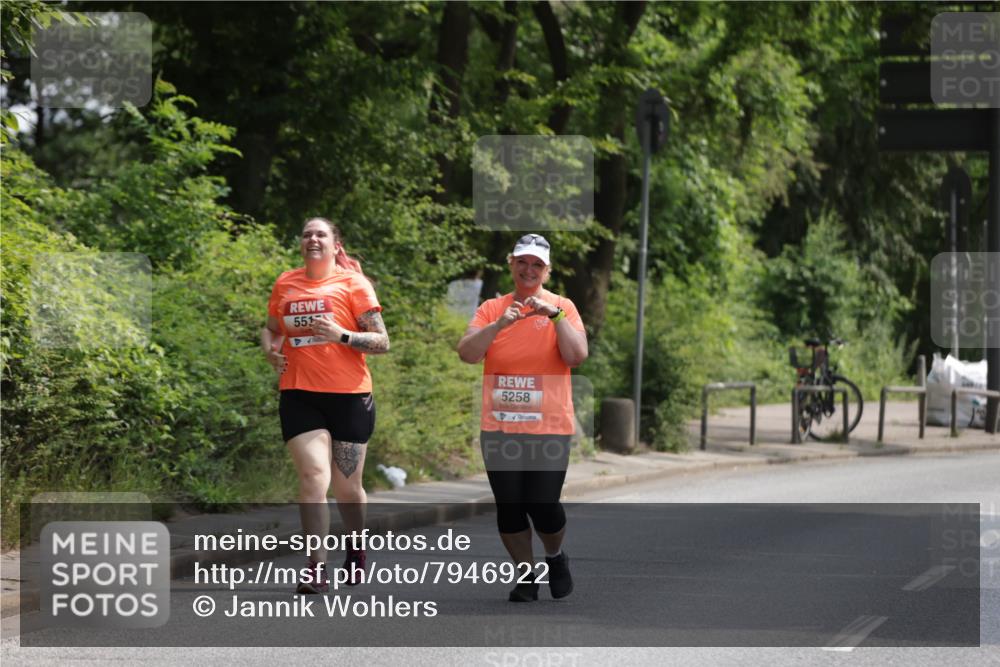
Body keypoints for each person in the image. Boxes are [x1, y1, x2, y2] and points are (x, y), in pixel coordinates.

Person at [261, 217, 390, 594]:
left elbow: (382, 342)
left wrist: (342, 335)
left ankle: (356, 547)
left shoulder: (354, 284)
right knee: (314, 476)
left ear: (336, 245)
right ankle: (316, 568)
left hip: (349, 396)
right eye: (307, 234)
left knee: (347, 489)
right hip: (299, 394)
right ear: (301, 244)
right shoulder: (286, 282)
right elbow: (271, 328)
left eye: (321, 234)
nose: (312, 239)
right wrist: (269, 350)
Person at [457, 233, 588, 602]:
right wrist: (498, 326)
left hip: (549, 428)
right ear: (511, 264)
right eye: (523, 262)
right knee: (510, 507)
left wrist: (555, 317)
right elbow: (467, 353)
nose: (529, 269)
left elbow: (577, 356)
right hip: (500, 428)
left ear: (547, 271)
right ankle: (526, 575)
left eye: (537, 264)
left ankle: (555, 557)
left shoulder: (563, 306)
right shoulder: (492, 308)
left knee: (543, 504)